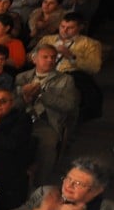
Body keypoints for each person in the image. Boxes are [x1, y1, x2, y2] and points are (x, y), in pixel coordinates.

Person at [14, 44, 78, 187]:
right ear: (34, 58)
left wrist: (42, 95)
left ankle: (40, 186)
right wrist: (23, 97)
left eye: (53, 57)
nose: (50, 60)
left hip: (47, 122)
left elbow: (68, 106)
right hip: (21, 120)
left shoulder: (65, 80)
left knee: (47, 144)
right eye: (45, 57)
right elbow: (11, 105)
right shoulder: (22, 77)